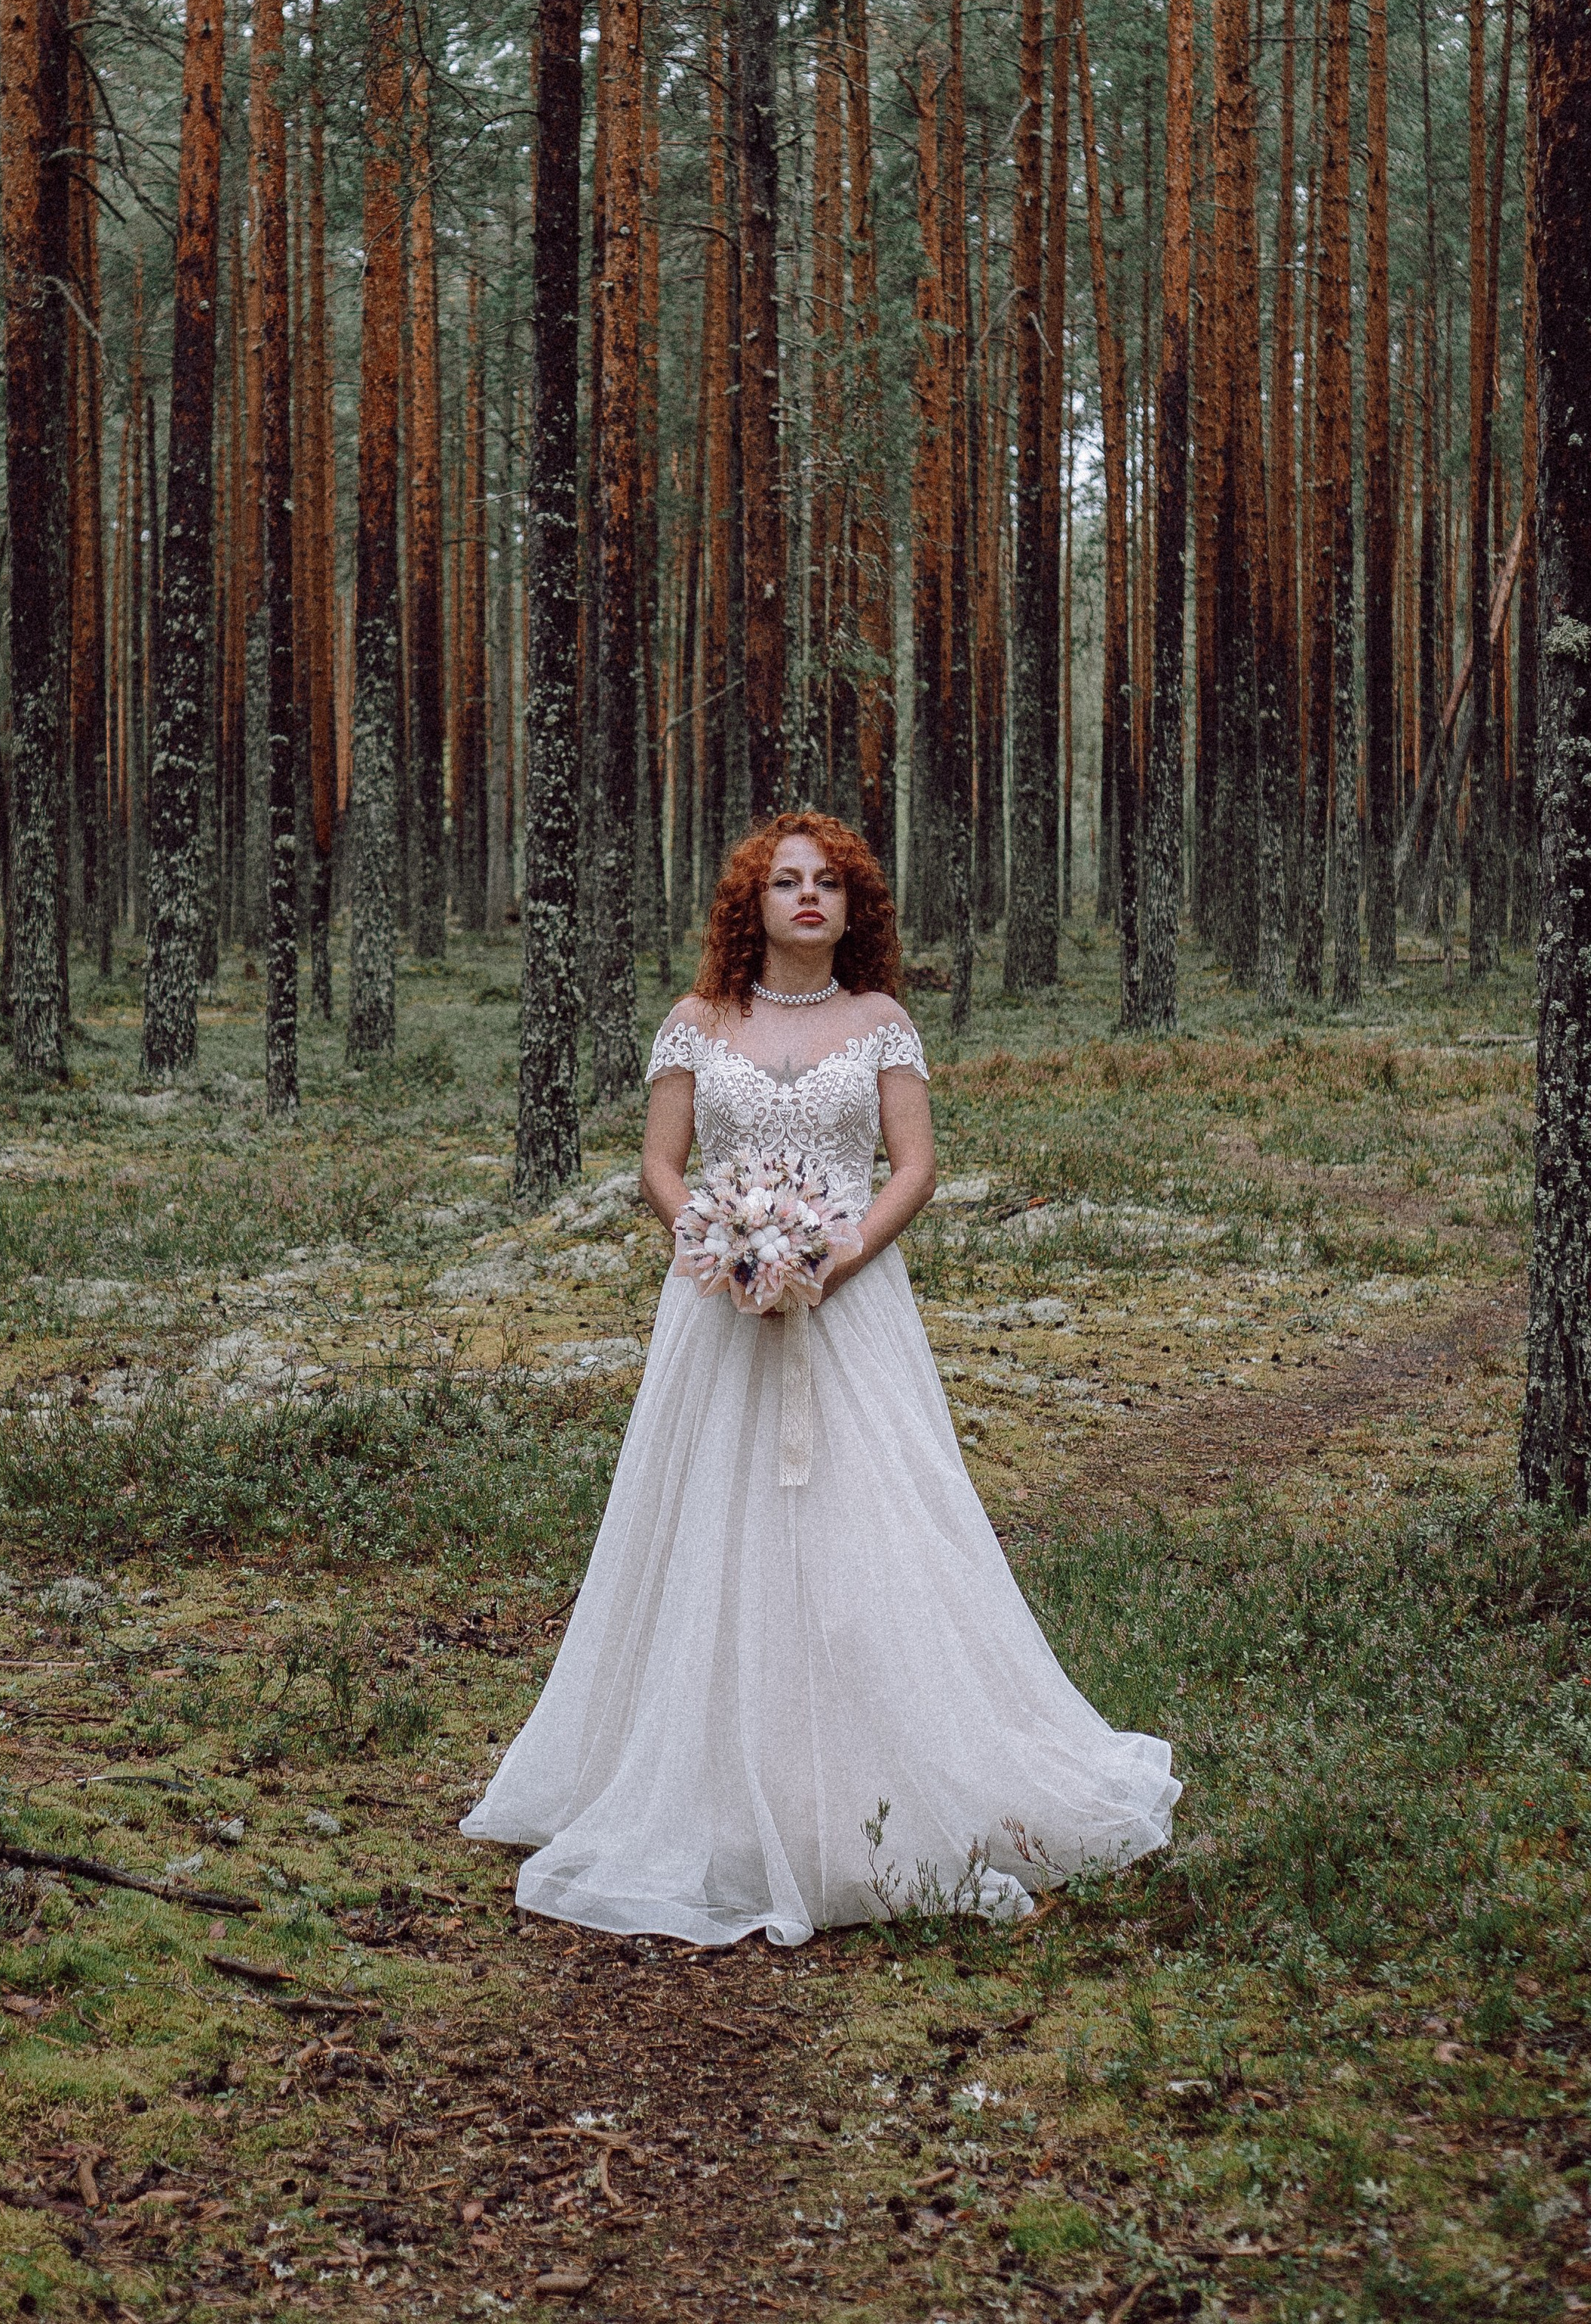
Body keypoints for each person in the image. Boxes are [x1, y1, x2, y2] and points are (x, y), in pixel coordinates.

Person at [461, 813, 1178, 1946]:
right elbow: (659, 1160)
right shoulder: (697, 1024)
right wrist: (722, 1241)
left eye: (827, 885)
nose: (807, 899)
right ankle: (702, 1779)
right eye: (785, 882)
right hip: (719, 1313)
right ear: (753, 904)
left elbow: (917, 1165)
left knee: (870, 1523)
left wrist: (835, 1255)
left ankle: (868, 1774)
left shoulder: (881, 1023)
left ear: (854, 908)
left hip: (855, 1308)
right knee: (710, 1526)